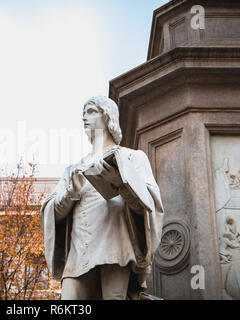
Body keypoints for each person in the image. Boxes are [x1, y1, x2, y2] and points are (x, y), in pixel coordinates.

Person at [40, 95, 164, 300]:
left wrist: (122, 183)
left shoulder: (132, 157)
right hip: (79, 250)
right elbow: (52, 213)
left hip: (116, 247)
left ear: (107, 116)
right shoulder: (73, 169)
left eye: (90, 111)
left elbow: (150, 205)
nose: (84, 118)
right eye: (83, 114)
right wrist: (71, 193)